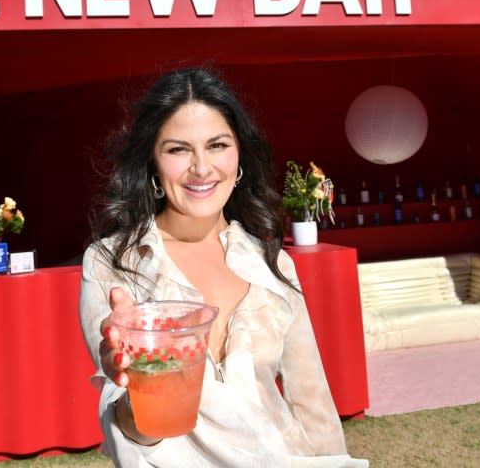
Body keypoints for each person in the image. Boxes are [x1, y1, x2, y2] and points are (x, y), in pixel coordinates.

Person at [79, 67, 368, 467]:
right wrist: (140, 380)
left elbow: (312, 402)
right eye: (178, 149)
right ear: (152, 164)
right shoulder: (113, 265)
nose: (201, 167)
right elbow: (134, 433)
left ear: (239, 156)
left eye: (217, 145)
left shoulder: (272, 262)